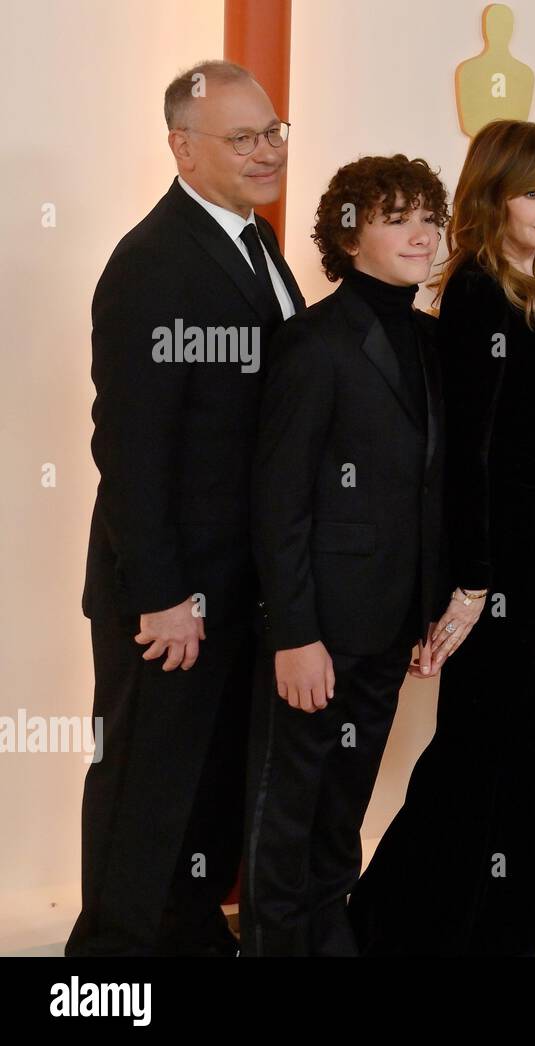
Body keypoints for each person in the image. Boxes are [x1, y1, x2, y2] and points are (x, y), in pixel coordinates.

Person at [70, 59, 303, 957]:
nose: (266, 151)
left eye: (274, 131)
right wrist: (162, 595)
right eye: (243, 138)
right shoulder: (152, 264)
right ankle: (106, 974)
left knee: (207, 786)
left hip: (240, 581)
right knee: (145, 789)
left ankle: (188, 933)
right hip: (169, 593)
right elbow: (127, 451)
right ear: (181, 147)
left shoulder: (258, 240)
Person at [348, 121, 535, 956]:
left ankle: (499, 922)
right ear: (491, 197)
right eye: (531, 191)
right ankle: (401, 925)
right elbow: (466, 455)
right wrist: (474, 584)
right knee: (478, 750)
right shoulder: (478, 291)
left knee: (513, 744)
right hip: (499, 557)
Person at [241, 155, 448, 955]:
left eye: (429, 217)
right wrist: (295, 634)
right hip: (318, 625)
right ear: (350, 233)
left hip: (392, 619)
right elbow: (279, 501)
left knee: (347, 793)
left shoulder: (433, 341)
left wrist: (437, 604)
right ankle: (275, 945)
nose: (420, 233)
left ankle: (329, 932)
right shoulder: (312, 343)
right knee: (289, 800)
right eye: (397, 217)